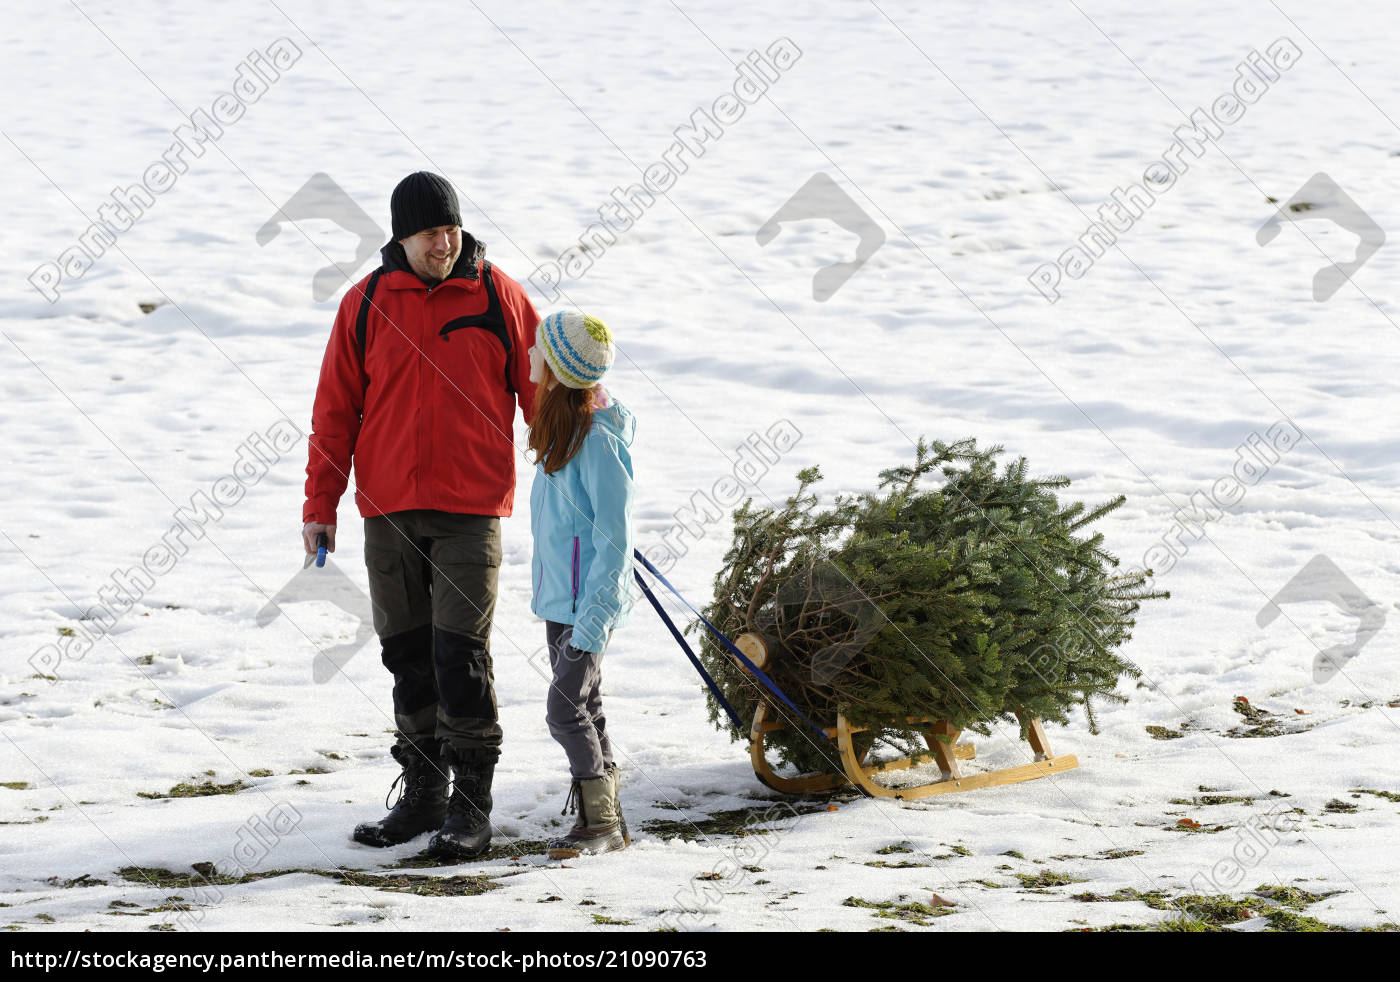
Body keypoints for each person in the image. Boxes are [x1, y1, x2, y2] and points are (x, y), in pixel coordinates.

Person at [302, 171, 539, 860]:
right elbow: (334, 412)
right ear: (402, 236)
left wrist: (582, 438)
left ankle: (472, 806)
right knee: (407, 654)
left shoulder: (498, 295)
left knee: (460, 655)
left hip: (470, 507)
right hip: (388, 510)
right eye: (431, 231)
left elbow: (541, 390)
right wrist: (321, 505)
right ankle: (424, 793)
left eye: (452, 228)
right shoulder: (366, 303)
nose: (445, 241)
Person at [526, 310, 635, 858]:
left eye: (538, 350)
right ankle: (606, 820)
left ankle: (601, 824)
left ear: (559, 372)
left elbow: (614, 542)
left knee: (564, 709)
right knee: (585, 705)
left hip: (587, 606)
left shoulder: (596, 446)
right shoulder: (561, 436)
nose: (529, 356)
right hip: (561, 604)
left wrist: (595, 618)